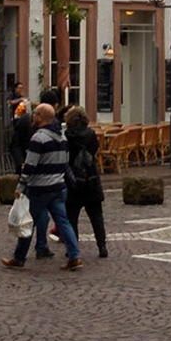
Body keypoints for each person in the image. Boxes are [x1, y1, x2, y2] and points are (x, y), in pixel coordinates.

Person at [4, 102, 79, 271]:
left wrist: (21, 186)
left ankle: (19, 257)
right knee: (64, 222)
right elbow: (64, 163)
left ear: (40, 117)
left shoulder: (38, 138)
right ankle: (75, 255)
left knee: (27, 222)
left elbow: (30, 166)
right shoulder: (62, 137)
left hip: (40, 188)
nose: (33, 117)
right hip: (59, 186)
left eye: (36, 114)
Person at [61, 105, 108, 259]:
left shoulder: (67, 136)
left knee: (72, 217)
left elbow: (66, 156)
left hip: (74, 180)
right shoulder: (91, 134)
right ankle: (102, 246)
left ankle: (73, 248)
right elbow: (94, 150)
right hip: (91, 178)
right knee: (96, 216)